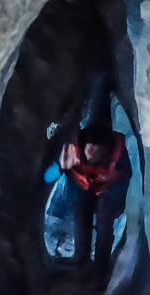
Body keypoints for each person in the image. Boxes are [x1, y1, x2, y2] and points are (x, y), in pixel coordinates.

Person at [45, 122, 131, 286]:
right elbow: (47, 177)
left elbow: (125, 178)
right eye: (91, 149)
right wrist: (61, 167)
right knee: (81, 219)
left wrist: (116, 204)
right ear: (84, 146)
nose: (94, 155)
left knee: (105, 224)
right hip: (81, 187)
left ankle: (100, 272)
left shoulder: (118, 155)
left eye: (99, 151)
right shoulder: (72, 152)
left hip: (108, 189)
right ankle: (81, 264)